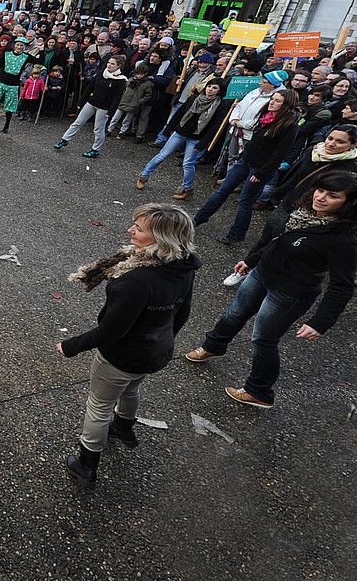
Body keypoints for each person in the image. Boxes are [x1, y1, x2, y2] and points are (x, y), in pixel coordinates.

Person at [186, 171, 357, 408]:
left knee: (263, 340)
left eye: (333, 195)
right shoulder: (303, 213)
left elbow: (342, 286)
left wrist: (320, 322)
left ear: (347, 204)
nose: (321, 198)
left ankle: (259, 391)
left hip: (290, 293)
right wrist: (251, 260)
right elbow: (276, 241)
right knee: (234, 314)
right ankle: (212, 347)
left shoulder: (343, 239)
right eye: (320, 190)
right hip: (261, 274)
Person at [59, 203, 200, 489]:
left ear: (162, 238)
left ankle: (86, 466)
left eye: (139, 228)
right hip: (156, 351)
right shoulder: (183, 265)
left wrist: (71, 345)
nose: (130, 230)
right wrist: (164, 341)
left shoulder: (135, 280)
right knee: (132, 387)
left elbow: (111, 330)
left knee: (99, 406)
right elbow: (182, 312)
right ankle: (123, 428)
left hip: (122, 356)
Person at [193, 88, 299, 244]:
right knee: (222, 191)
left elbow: (279, 153)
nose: (272, 102)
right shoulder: (265, 116)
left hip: (260, 169)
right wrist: (244, 156)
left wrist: (262, 173)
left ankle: (236, 235)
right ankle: (197, 220)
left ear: (286, 104)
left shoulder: (289, 125)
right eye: (272, 99)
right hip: (246, 161)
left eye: (277, 101)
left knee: (245, 201)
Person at [136, 78, 229, 199]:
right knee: (162, 155)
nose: (210, 90)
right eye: (209, 86)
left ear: (220, 91)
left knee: (188, 164)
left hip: (197, 137)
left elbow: (215, 126)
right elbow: (179, 114)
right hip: (181, 131)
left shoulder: (220, 106)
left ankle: (187, 189)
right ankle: (144, 176)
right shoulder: (194, 98)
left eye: (214, 88)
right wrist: (167, 130)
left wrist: (203, 143)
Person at [53, 55, 128, 158]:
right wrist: (80, 102)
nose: (109, 65)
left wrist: (111, 111)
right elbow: (90, 88)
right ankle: (64, 140)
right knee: (78, 122)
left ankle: (95, 150)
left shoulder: (121, 80)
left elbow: (117, 98)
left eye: (112, 64)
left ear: (118, 66)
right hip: (91, 102)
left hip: (104, 108)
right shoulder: (101, 73)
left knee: (98, 129)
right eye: (109, 63)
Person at [0, 36, 29, 133]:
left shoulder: (26, 57)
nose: (19, 47)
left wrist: (41, 50)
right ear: (14, 45)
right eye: (18, 45)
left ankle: (6, 126)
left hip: (13, 84)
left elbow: (40, 61)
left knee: (10, 106)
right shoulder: (7, 54)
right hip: (1, 81)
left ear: (24, 47)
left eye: (22, 45)